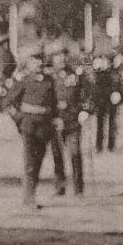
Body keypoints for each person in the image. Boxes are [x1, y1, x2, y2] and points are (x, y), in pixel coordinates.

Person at [2, 46, 60, 208]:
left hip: (45, 127)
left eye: (40, 60)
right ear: (28, 63)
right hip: (28, 126)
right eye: (35, 60)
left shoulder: (49, 81)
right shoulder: (24, 80)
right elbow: (8, 103)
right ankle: (29, 198)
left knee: (39, 161)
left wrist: (56, 119)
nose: (39, 63)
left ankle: (31, 194)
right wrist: (19, 120)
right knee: (29, 162)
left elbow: (53, 104)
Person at [50, 47, 92, 196]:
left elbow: (87, 95)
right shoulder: (50, 77)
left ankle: (78, 188)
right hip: (55, 121)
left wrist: (85, 111)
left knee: (75, 154)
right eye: (57, 58)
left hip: (73, 120)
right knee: (57, 155)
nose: (60, 61)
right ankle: (60, 186)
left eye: (62, 57)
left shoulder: (76, 76)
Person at [92, 53, 122, 152]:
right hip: (102, 101)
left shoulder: (113, 73)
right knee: (100, 124)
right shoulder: (99, 73)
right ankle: (99, 145)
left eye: (107, 62)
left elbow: (117, 86)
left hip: (111, 100)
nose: (106, 64)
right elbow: (96, 88)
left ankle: (110, 145)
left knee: (111, 123)